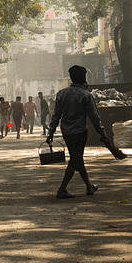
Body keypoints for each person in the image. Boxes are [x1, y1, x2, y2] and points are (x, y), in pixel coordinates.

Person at [47, 65, 110, 199]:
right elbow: (94, 117)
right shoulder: (85, 95)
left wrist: (51, 132)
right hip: (80, 132)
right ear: (83, 78)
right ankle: (62, 189)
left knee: (77, 158)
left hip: (67, 132)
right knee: (75, 159)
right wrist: (102, 134)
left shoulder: (61, 94)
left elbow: (56, 116)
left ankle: (89, 187)